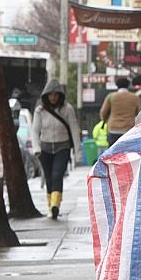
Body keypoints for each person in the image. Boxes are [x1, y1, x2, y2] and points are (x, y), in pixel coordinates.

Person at [31, 79, 81, 219]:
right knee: (49, 178)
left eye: (56, 94)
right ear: (46, 95)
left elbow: (74, 130)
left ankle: (55, 206)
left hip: (62, 147)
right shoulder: (40, 110)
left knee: (57, 175)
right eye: (50, 94)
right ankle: (50, 206)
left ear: (60, 95)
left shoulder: (67, 109)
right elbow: (34, 131)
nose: (53, 97)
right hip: (44, 149)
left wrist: (78, 154)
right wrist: (36, 148)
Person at [99, 77, 141, 146]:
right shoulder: (135, 97)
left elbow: (103, 112)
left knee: (113, 153)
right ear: (128, 85)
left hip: (113, 129)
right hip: (129, 130)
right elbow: (140, 114)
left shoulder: (111, 96)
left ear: (117, 85)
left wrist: (105, 120)